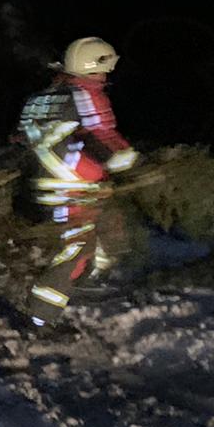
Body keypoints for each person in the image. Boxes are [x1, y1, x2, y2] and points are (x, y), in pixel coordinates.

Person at [17, 36, 139, 328]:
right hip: (72, 186)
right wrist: (123, 157)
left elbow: (24, 136)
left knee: (108, 230)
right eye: (103, 69)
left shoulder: (45, 97)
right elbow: (100, 133)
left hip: (47, 181)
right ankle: (40, 318)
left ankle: (88, 284)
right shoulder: (86, 93)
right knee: (78, 247)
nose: (106, 76)